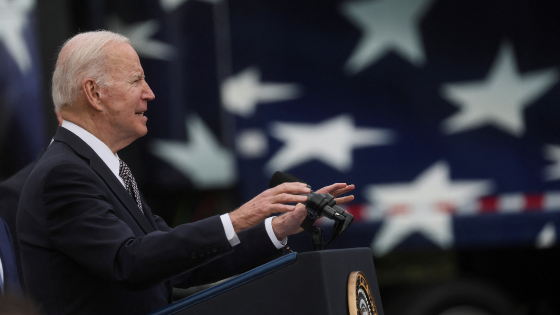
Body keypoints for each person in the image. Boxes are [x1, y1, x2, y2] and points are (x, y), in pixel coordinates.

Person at [17, 30, 354, 315]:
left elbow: (175, 263)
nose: (150, 92)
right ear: (94, 93)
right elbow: (129, 261)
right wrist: (238, 218)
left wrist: (276, 228)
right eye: (137, 80)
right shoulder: (63, 175)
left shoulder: (101, 167)